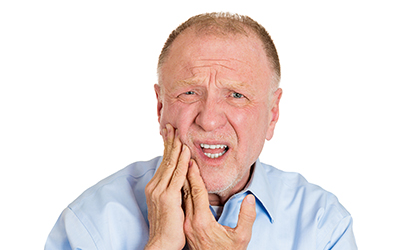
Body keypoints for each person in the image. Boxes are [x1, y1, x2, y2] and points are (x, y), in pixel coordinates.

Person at [45, 12, 357, 250]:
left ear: (272, 114)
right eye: (189, 93)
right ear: (160, 107)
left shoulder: (323, 224)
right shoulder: (89, 223)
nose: (208, 120)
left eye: (236, 95)